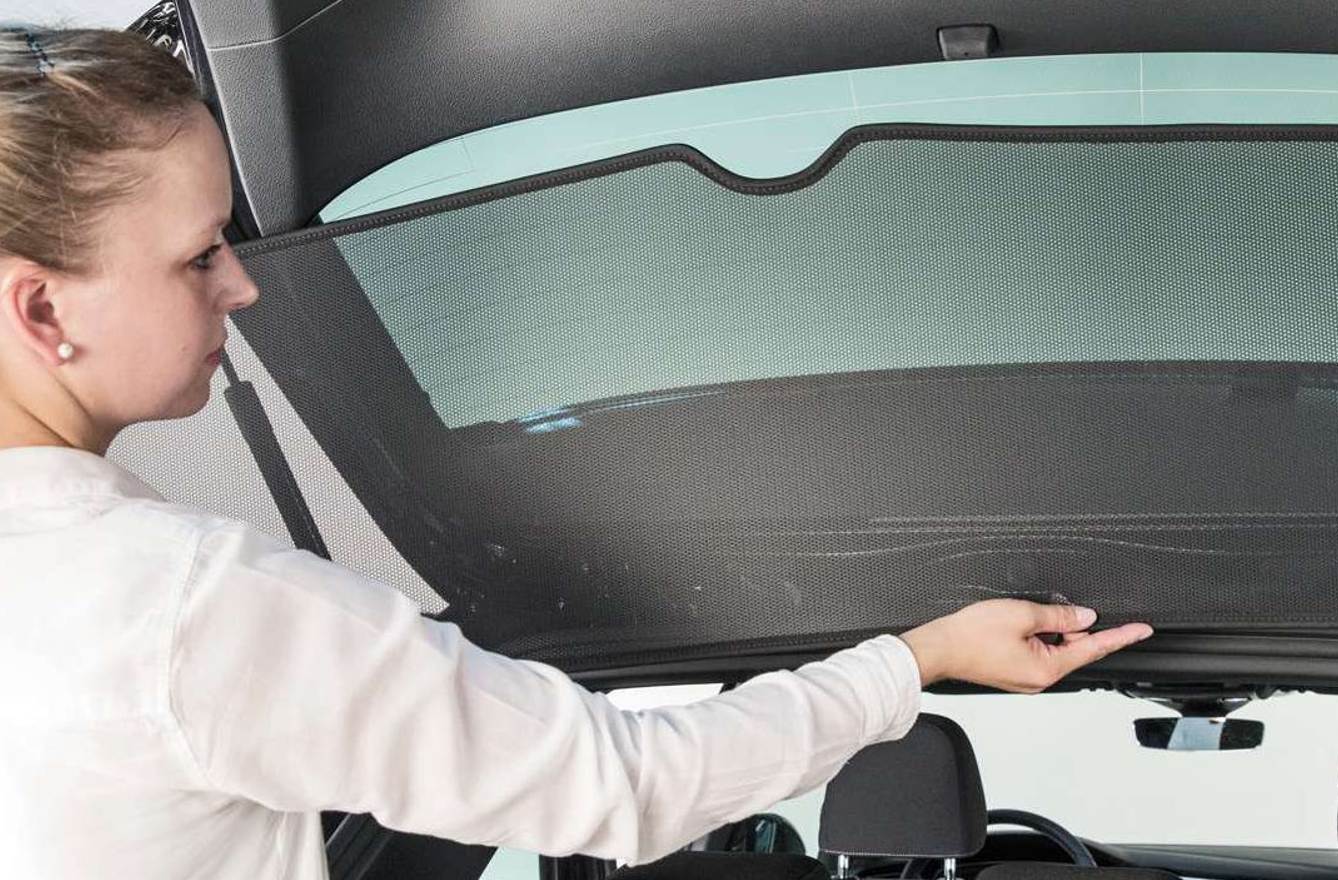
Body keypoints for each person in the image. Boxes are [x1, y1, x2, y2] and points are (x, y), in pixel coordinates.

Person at [0, 28, 1155, 880]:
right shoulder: (183, 611)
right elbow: (627, 786)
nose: (242, 285)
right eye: (201, 255)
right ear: (43, 313)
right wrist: (920, 656)